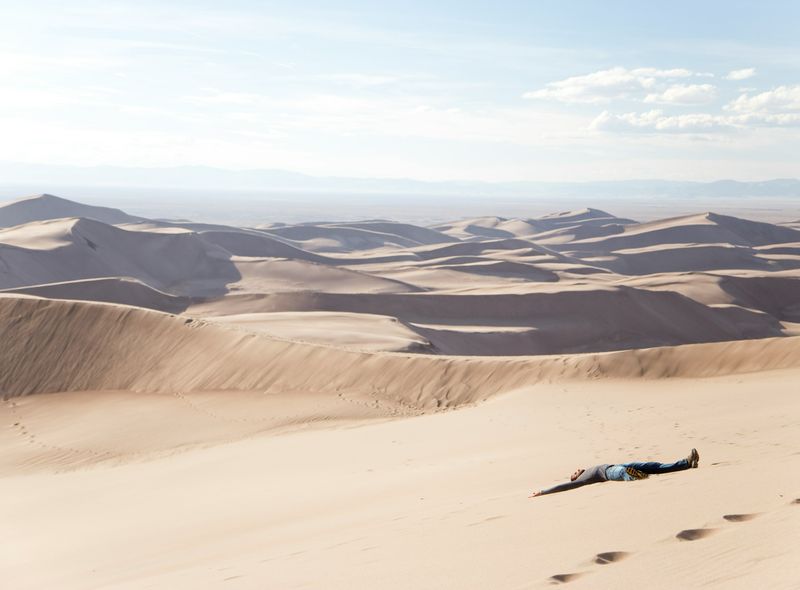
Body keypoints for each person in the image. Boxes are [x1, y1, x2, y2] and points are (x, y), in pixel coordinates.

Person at [529, 448, 699, 497]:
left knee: (652, 465)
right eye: (574, 473)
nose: (577, 470)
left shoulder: (588, 470)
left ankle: (686, 463)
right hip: (611, 472)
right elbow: (563, 487)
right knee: (625, 472)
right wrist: (543, 492)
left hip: (618, 464)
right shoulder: (582, 480)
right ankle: (636, 476)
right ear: (575, 479)